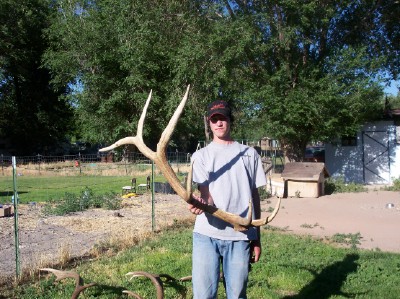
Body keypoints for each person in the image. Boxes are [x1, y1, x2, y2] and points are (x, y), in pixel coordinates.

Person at [188, 100, 266, 299]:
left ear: (230, 121)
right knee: (203, 296)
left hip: (240, 236)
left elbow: (254, 196)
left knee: (237, 295)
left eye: (223, 118)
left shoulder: (249, 155)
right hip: (206, 235)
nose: (219, 123)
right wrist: (202, 204)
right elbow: (206, 193)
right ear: (209, 123)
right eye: (215, 119)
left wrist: (256, 237)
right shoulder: (200, 156)